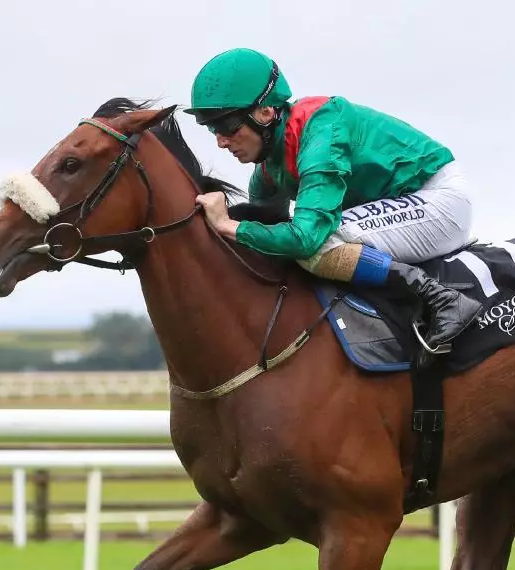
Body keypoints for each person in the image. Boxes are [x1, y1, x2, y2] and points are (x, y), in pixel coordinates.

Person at [184, 47, 482, 353]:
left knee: (319, 246)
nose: (220, 141)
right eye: (211, 128)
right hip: (406, 205)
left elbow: (304, 238)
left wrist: (226, 223)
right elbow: (266, 228)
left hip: (438, 200)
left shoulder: (321, 133)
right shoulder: (269, 166)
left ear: (265, 112)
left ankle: (441, 298)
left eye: (227, 125)